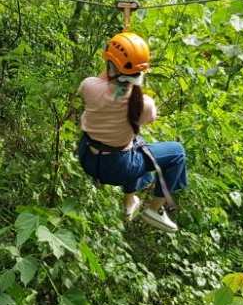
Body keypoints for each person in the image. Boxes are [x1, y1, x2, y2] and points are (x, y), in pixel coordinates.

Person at [76, 31, 188, 233]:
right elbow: (147, 117)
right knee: (177, 152)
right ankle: (155, 209)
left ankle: (130, 201)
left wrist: (117, 56)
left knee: (137, 144)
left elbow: (106, 80)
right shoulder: (144, 105)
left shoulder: (89, 86)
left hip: (88, 158)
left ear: (109, 65)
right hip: (118, 168)